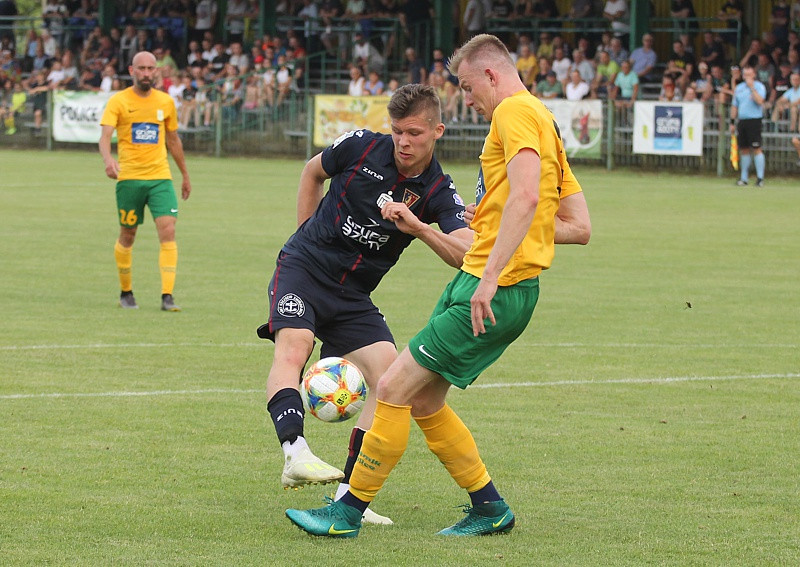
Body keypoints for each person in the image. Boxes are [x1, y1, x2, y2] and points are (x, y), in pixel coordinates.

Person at [285, 33, 589, 539]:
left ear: (490, 75)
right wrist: (491, 222)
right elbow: (577, 225)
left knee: (393, 387)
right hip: (495, 282)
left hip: (494, 285)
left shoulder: (513, 114)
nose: (468, 99)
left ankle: (346, 513)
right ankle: (489, 508)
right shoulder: (544, 120)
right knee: (424, 401)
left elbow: (529, 197)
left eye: (469, 87)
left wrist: (489, 275)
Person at [258, 83, 473, 523]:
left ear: (438, 131)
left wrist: (419, 228)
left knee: (391, 378)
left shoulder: (437, 189)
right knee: (294, 348)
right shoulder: (360, 147)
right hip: (304, 267)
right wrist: (304, 236)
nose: (403, 142)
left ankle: (349, 496)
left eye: (414, 132)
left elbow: (466, 253)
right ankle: (295, 451)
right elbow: (311, 172)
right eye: (397, 131)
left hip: (353, 295)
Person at [99, 51, 192, 310]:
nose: (147, 73)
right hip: (129, 179)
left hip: (160, 178)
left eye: (151, 68)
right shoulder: (118, 101)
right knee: (128, 234)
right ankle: (126, 292)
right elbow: (105, 136)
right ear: (131, 70)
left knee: (168, 230)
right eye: (142, 68)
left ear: (157, 71)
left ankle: (167, 296)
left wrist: (184, 174)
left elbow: (173, 140)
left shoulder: (165, 102)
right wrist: (108, 160)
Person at [730, 65, 766, 187]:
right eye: (745, 75)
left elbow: (760, 101)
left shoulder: (759, 87)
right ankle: (744, 178)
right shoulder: (739, 88)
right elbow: (735, 105)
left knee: (756, 148)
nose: (747, 77)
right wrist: (732, 122)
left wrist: (752, 88)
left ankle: (760, 178)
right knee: (744, 149)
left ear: (754, 75)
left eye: (749, 74)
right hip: (742, 120)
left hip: (754, 120)